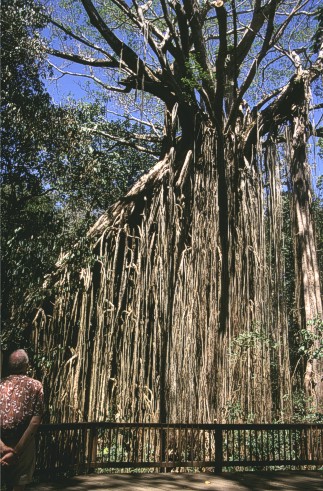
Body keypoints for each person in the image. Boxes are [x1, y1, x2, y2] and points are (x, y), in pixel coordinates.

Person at [0, 349, 44, 491]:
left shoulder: (0, 384)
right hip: (23, 444)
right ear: (26, 365)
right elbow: (35, 422)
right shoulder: (35, 385)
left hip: (1, 441)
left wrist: (2, 447)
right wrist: (16, 452)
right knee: (19, 484)